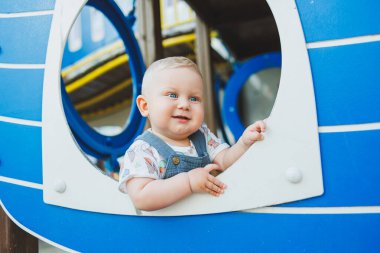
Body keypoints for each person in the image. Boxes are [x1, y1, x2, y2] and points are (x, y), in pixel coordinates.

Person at [118, 56, 266, 211]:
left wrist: (243, 143)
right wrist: (188, 182)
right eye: (172, 95)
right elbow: (141, 198)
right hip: (172, 230)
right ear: (145, 106)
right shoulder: (142, 150)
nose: (184, 105)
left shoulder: (203, 136)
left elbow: (224, 161)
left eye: (194, 98)